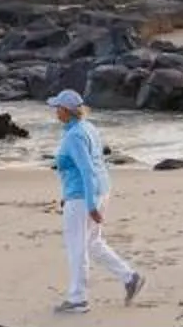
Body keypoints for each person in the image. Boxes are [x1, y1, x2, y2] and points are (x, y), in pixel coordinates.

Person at [46, 89, 145, 312]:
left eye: (57, 108)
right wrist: (70, 196)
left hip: (85, 196)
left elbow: (87, 170)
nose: (54, 112)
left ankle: (77, 299)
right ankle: (130, 278)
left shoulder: (74, 136)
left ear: (66, 111)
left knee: (77, 247)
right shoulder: (87, 128)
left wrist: (89, 205)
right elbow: (92, 165)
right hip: (98, 191)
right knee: (93, 243)